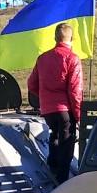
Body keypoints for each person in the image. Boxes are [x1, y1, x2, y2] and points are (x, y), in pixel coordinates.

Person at [27, 22, 83, 184]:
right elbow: (75, 90)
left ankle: (52, 165)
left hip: (48, 109)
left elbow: (32, 85)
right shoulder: (72, 59)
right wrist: (78, 114)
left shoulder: (42, 58)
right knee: (67, 141)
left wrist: (45, 97)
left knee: (55, 134)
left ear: (55, 38)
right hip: (65, 109)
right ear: (71, 38)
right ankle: (63, 179)